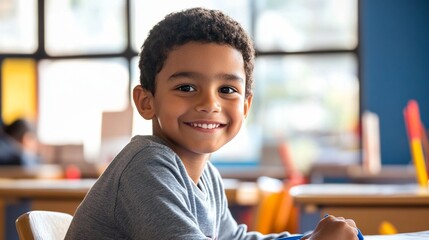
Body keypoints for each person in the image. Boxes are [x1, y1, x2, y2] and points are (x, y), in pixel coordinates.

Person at [65, 7, 360, 240]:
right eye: (186, 87)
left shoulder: (207, 177)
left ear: (245, 106)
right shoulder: (146, 167)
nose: (209, 104)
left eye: (227, 90)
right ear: (146, 101)